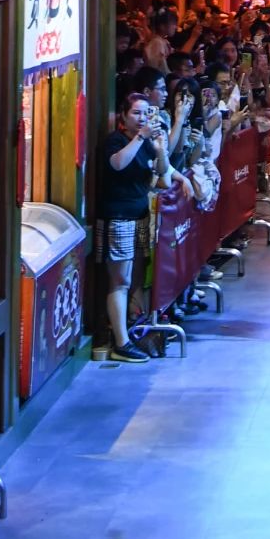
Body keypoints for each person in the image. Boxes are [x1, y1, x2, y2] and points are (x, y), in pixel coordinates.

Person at [98, 89, 168, 362]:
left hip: (140, 214)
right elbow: (117, 164)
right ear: (123, 116)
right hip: (118, 217)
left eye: (146, 113)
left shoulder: (148, 142)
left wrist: (160, 148)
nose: (141, 118)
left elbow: (162, 172)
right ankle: (121, 343)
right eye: (136, 113)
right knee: (120, 280)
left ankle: (126, 327)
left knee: (135, 276)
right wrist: (141, 137)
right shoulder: (115, 141)